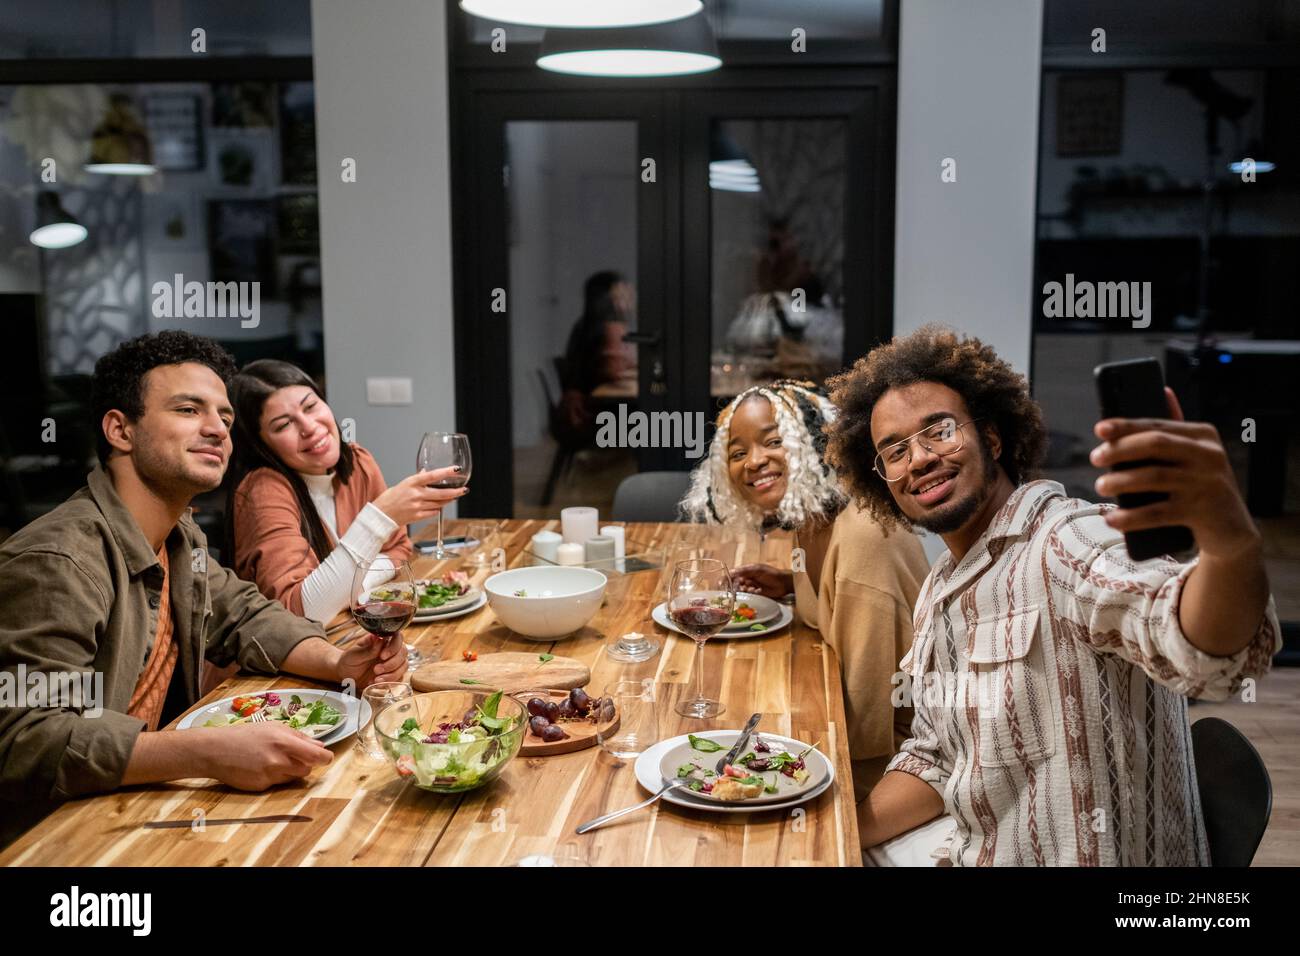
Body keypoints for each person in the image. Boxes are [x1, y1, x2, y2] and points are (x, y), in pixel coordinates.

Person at [825, 325, 1280, 866]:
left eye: (939, 431)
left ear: (991, 437)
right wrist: (837, 831)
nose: (918, 459)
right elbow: (938, 759)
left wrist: (1228, 542)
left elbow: (1199, 646)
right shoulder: (940, 591)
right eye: (894, 451)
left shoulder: (1066, 542)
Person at [0, 332, 407, 850]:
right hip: (60, 838)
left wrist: (339, 664)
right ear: (120, 430)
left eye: (225, 417)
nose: (216, 428)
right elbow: (25, 739)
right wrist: (205, 752)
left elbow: (244, 615)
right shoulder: (57, 562)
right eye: (189, 410)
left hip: (142, 804)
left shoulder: (177, 533)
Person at [681, 380, 930, 798]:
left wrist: (769, 754)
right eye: (737, 453)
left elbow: (867, 725)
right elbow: (837, 603)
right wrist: (792, 587)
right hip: (838, 727)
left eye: (773, 441)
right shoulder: (812, 519)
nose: (754, 462)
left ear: (814, 441)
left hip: (891, 768)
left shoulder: (863, 539)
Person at [224, 359, 465, 625]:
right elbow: (302, 613)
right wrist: (379, 517)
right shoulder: (263, 490)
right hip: (289, 661)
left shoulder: (357, 462)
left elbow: (398, 550)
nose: (309, 427)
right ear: (261, 445)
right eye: (283, 425)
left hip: (350, 635)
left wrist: (354, 583)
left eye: (311, 406)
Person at [557, 271, 637, 437]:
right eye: (624, 292)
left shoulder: (585, 325)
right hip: (594, 415)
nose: (631, 296)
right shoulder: (611, 328)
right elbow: (614, 372)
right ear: (609, 298)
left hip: (578, 410)